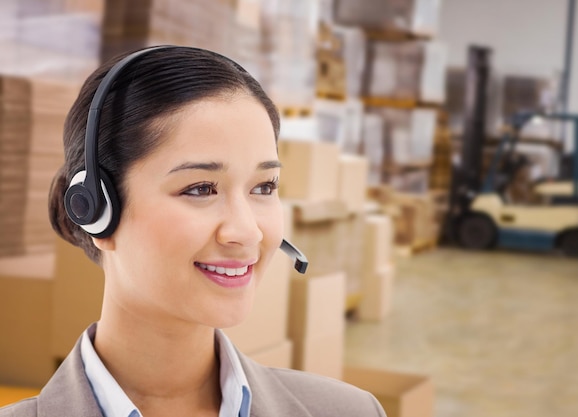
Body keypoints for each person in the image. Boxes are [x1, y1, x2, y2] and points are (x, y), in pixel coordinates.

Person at [0, 46, 386, 417]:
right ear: (95, 209)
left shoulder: (352, 412)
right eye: (200, 188)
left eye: (264, 187)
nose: (247, 232)